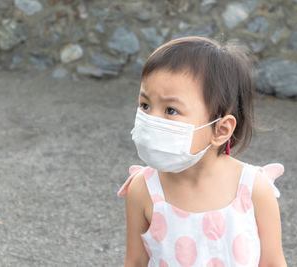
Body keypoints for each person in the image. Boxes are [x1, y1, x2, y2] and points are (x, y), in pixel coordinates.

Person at [117, 36, 287, 267]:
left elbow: (272, 263)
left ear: (221, 129)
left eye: (171, 110)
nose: (151, 119)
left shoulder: (254, 189)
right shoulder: (143, 189)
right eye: (145, 105)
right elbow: (135, 262)